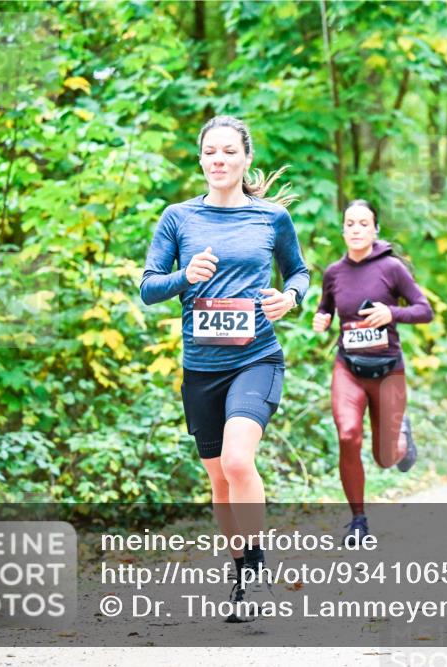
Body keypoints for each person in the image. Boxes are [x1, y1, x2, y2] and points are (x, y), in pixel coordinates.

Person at [140, 115, 309, 622]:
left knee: (237, 462)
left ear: (246, 159)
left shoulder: (271, 218)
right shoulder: (178, 217)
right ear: (200, 159)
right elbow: (148, 287)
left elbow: (298, 272)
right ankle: (240, 575)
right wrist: (184, 277)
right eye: (211, 151)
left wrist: (291, 298)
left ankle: (256, 568)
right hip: (201, 368)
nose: (219, 159)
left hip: (256, 357)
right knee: (218, 479)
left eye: (229, 151)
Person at [313, 199, 433, 546]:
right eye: (350, 223)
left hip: (387, 370)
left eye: (363, 224)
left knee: (386, 458)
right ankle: (358, 520)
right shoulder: (334, 272)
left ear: (375, 230)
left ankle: (402, 436)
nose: (356, 230)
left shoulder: (391, 268)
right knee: (348, 435)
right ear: (343, 230)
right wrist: (322, 319)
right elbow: (325, 309)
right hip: (348, 367)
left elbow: (424, 310)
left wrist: (392, 313)